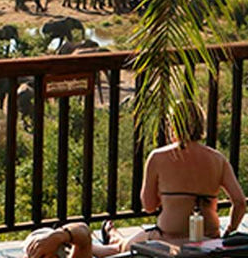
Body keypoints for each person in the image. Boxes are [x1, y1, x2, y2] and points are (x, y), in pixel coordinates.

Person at [25, 100, 246, 258]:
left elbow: (149, 206)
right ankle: (111, 236)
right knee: (127, 243)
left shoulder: (159, 157)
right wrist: (228, 231)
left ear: (172, 126)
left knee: (120, 248)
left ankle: (109, 237)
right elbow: (239, 201)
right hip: (208, 240)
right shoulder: (217, 158)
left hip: (165, 239)